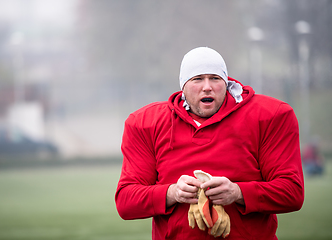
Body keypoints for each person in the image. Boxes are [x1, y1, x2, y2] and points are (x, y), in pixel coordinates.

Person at [115, 47, 304, 239]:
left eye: (215, 78)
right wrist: (172, 193)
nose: (207, 87)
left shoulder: (271, 115)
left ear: (226, 81)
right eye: (197, 79)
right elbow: (126, 202)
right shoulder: (146, 122)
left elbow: (292, 192)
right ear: (183, 85)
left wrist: (238, 192)